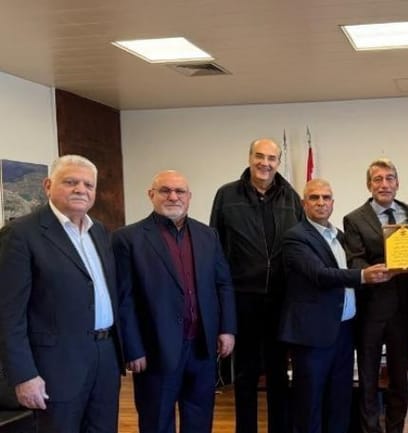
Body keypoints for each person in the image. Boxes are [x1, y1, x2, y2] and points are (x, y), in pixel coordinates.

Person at [0, 154, 124, 433]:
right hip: (56, 366)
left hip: (105, 357)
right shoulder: (20, 234)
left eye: (88, 185)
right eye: (70, 182)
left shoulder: (99, 231)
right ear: (48, 186)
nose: (81, 189)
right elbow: (8, 315)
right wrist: (24, 375)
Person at [113, 170, 237, 433]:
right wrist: (133, 349)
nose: (173, 197)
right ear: (151, 195)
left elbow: (223, 284)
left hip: (202, 347)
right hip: (155, 350)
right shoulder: (128, 238)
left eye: (180, 191)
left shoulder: (208, 235)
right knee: (156, 421)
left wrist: (227, 329)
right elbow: (124, 298)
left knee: (200, 420)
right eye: (165, 190)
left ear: (189, 197)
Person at [278, 178, 391, 433]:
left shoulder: (339, 236)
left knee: (339, 400)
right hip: (312, 336)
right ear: (304, 203)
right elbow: (319, 275)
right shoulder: (295, 237)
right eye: (314, 197)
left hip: (344, 331)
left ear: (332, 203)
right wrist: (364, 276)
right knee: (310, 403)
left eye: (326, 197)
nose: (321, 202)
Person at [210, 138, 304, 433]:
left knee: (278, 374)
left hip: (280, 299)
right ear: (250, 158)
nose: (265, 163)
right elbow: (215, 248)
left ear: (278, 162)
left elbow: (300, 245)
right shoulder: (226, 195)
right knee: (246, 374)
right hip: (242, 299)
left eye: (272, 158)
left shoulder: (291, 197)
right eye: (260, 156)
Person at [343, 158, 408, 433]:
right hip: (371, 309)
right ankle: (370, 429)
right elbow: (355, 260)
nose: (384, 184)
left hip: (402, 309)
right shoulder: (354, 219)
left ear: (397, 183)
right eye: (378, 179)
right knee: (369, 378)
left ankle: (396, 429)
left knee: (400, 378)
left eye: (389, 178)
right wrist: (375, 272)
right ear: (369, 185)